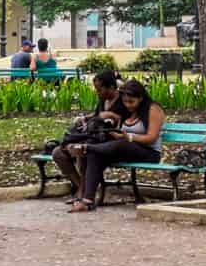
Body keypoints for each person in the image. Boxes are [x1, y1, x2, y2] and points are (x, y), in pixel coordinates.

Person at [70, 78, 165, 212]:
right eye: (125, 102)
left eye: (132, 102)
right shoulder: (129, 111)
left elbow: (151, 138)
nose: (128, 105)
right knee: (96, 155)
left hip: (149, 153)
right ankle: (87, 201)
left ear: (141, 98)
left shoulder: (153, 109)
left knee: (121, 144)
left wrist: (129, 137)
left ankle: (86, 148)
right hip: (126, 149)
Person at [54, 69, 127, 202]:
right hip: (92, 137)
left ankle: (83, 192)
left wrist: (113, 117)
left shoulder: (123, 101)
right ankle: (81, 186)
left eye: (99, 89)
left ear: (111, 87)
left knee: (82, 150)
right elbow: (96, 115)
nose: (97, 92)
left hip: (108, 142)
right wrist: (84, 118)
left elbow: (125, 123)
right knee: (58, 153)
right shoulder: (103, 100)